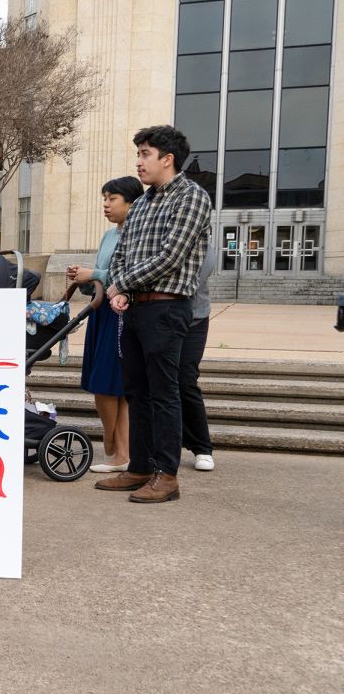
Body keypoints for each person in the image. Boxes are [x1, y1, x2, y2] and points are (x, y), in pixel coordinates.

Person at [96, 125, 212, 503]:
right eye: (139, 154)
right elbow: (123, 253)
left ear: (168, 159)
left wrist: (121, 283)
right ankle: (140, 467)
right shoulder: (143, 202)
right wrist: (120, 289)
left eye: (146, 154)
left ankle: (167, 474)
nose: (139, 162)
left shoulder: (192, 197)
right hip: (135, 308)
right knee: (137, 391)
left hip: (167, 306)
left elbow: (171, 256)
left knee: (164, 393)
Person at [66, 176, 144, 473]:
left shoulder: (138, 234)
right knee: (110, 386)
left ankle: (114, 448)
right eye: (105, 198)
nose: (106, 204)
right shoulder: (110, 235)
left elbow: (131, 273)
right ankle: (120, 452)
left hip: (121, 313)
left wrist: (95, 273)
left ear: (131, 203)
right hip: (103, 311)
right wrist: (85, 277)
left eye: (112, 198)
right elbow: (103, 275)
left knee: (108, 385)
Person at [181, 238, 216, 472]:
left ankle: (202, 447)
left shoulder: (204, 245)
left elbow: (193, 280)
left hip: (194, 319)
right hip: (159, 318)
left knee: (185, 380)